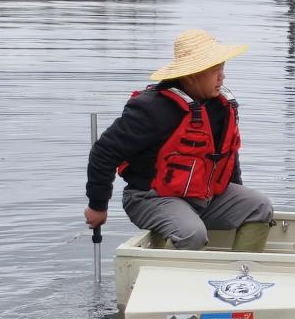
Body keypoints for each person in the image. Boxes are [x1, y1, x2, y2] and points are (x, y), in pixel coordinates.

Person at [85, 28, 275, 252]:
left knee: (259, 207)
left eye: (222, 68)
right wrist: (98, 206)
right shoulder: (152, 108)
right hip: (150, 198)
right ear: (191, 74)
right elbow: (104, 152)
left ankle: (239, 279)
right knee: (192, 234)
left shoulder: (221, 106)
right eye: (215, 70)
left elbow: (228, 156)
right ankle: (168, 278)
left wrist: (235, 193)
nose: (222, 76)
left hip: (204, 197)